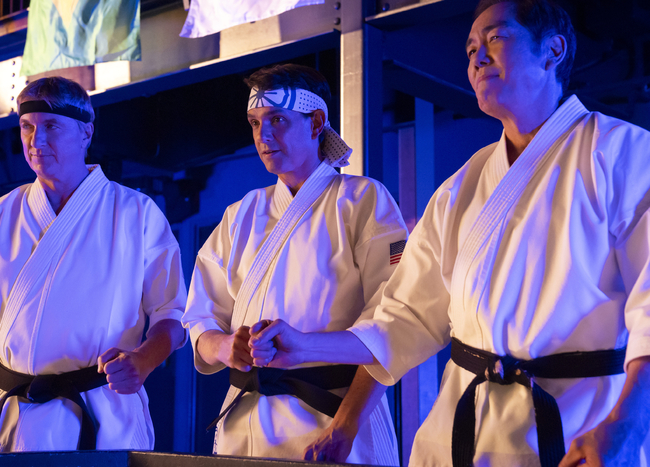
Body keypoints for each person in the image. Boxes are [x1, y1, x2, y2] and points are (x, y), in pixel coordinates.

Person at [249, 1, 650, 466]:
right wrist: (306, 345)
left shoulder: (624, 155)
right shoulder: (464, 184)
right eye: (470, 48)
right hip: (461, 432)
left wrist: (630, 422)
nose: (477, 58)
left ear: (553, 50)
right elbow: (405, 315)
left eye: (495, 39)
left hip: (576, 430)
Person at [182, 64, 406, 464]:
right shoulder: (241, 213)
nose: (263, 136)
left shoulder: (362, 200)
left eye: (277, 120)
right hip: (245, 423)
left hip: (331, 420)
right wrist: (223, 346)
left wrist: (345, 427)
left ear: (317, 121)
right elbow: (200, 315)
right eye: (254, 123)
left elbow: (391, 326)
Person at [0, 77, 187, 453]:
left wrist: (143, 360)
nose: (35, 141)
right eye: (27, 127)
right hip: (12, 416)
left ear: (85, 133)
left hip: (101, 413)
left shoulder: (135, 214)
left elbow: (171, 317)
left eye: (51, 126)